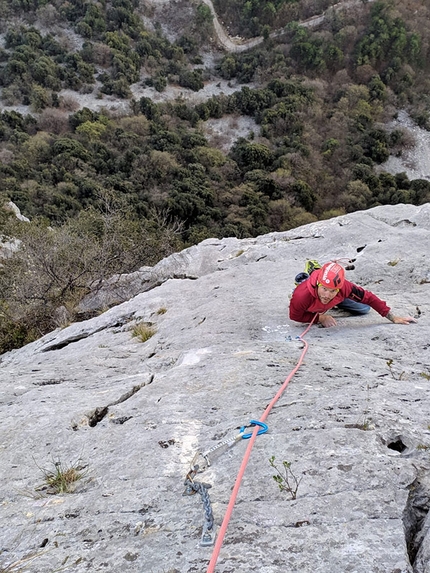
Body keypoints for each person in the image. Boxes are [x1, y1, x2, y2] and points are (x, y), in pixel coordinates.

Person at [289, 261, 417, 328]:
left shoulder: (345, 287)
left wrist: (392, 317)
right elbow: (295, 316)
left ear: (339, 288)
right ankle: (306, 276)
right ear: (318, 284)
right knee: (305, 301)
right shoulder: (302, 295)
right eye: (324, 289)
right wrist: (320, 318)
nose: (327, 295)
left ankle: (331, 301)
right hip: (310, 295)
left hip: (336, 298)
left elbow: (368, 297)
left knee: (364, 309)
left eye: (332, 290)